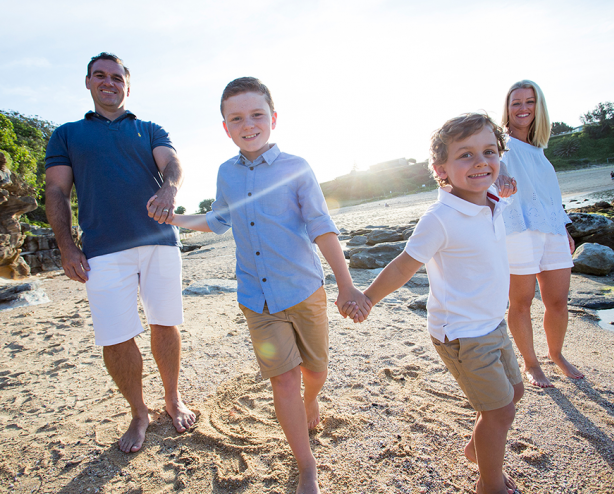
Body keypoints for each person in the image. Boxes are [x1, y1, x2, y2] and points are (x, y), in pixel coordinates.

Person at [158, 77, 370, 494]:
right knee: (284, 379)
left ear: (272, 118)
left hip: (305, 291)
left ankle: (312, 401)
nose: (248, 124)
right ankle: (305, 464)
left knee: (315, 371)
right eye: (236, 118)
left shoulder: (297, 168)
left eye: (256, 115)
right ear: (225, 127)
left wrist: (346, 287)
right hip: (257, 299)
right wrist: (176, 220)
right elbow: (218, 220)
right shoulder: (226, 173)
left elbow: (322, 228)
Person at [345, 113, 524, 494]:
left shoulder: (491, 198)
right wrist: (368, 298)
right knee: (499, 411)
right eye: (465, 156)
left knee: (514, 393)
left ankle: (478, 449)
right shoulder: (440, 219)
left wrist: (498, 169)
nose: (480, 162)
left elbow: (494, 167)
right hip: (461, 333)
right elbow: (403, 265)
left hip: (493, 323)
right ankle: (489, 483)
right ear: (440, 170)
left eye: (488, 152)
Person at [44, 52, 196, 453]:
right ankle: (138, 412)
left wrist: (169, 189)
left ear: (127, 85)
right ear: (89, 83)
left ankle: (172, 398)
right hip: (103, 250)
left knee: (165, 323)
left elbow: (173, 162)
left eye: (116, 77)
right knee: (115, 336)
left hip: (159, 240)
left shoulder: (148, 129)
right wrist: (66, 247)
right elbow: (57, 191)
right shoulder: (67, 134)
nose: (108, 82)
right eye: (100, 76)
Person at [500, 80, 583, 388]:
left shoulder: (538, 149)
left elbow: (550, 194)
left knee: (558, 301)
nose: (523, 108)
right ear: (507, 109)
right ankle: (531, 364)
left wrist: (564, 228)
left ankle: (556, 354)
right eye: (516, 102)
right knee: (521, 301)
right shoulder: (500, 143)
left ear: (539, 107)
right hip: (519, 230)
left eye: (529, 102)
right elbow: (491, 167)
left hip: (552, 230)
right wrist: (500, 176)